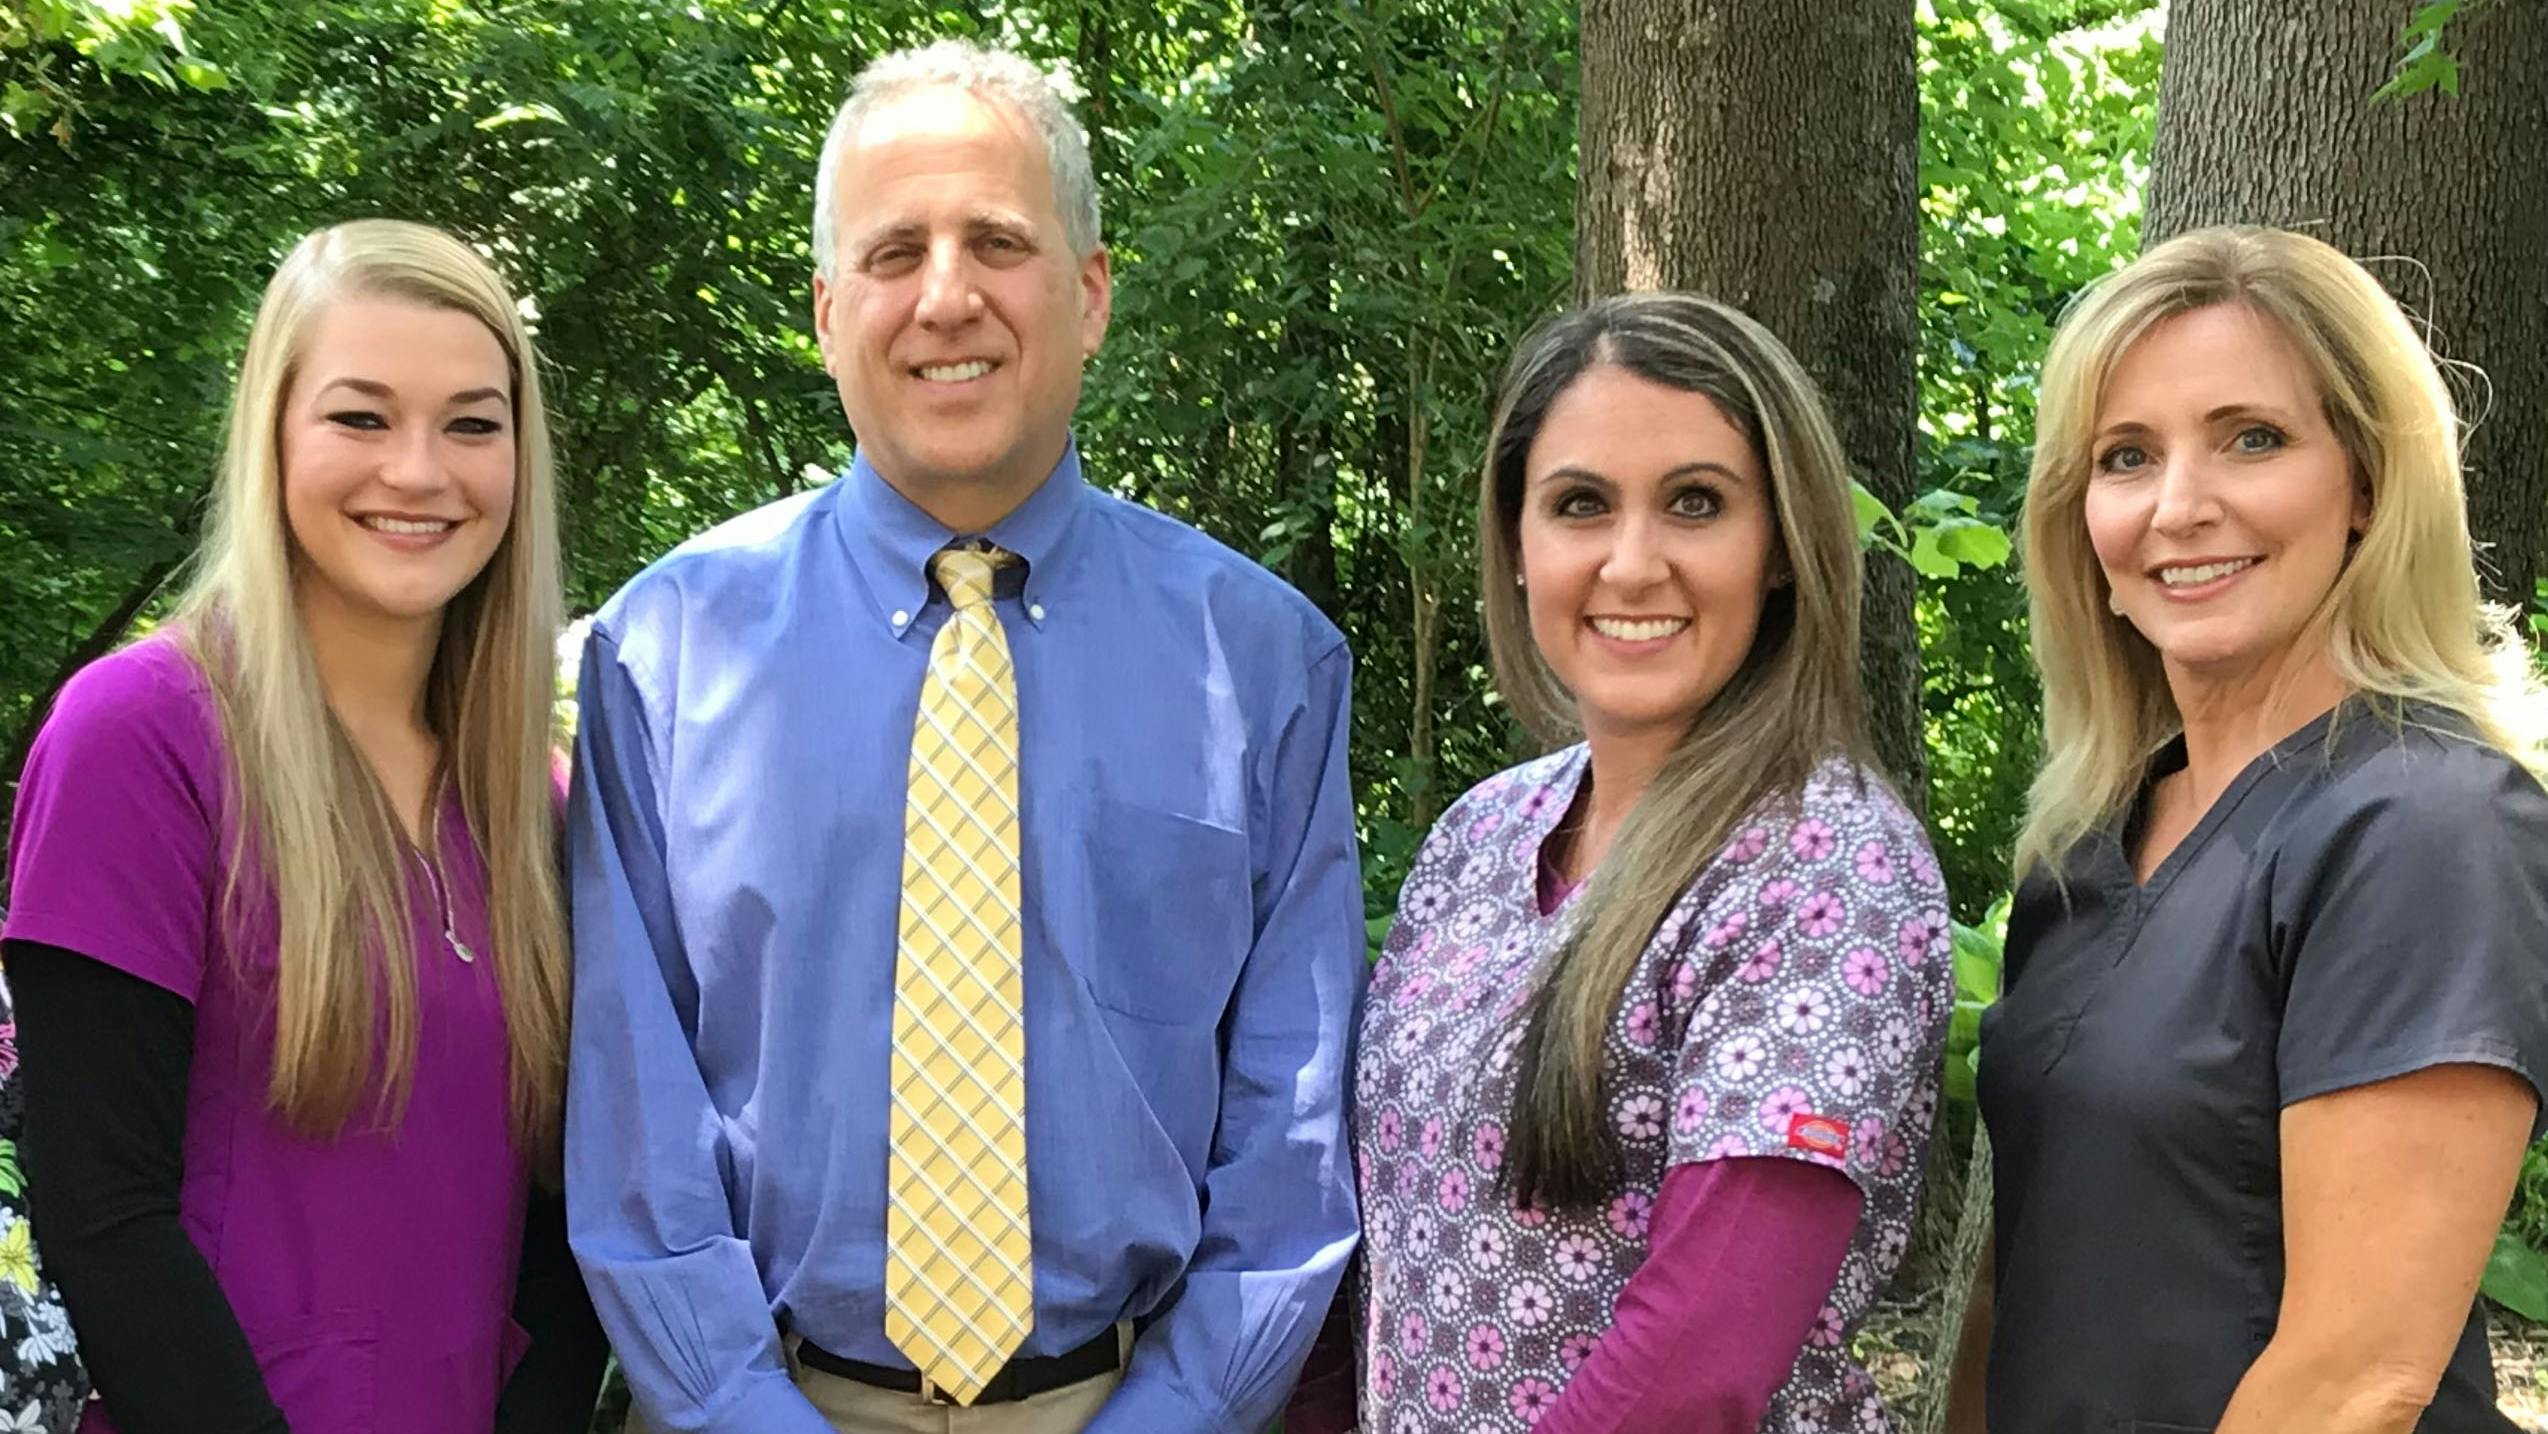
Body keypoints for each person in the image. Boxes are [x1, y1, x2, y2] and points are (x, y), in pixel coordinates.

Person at [563, 38, 1365, 1434]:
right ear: (826, 310)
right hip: (751, 1402)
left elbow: (1290, 1136)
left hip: (1139, 1401)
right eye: (892, 253)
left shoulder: (1266, 661)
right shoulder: (669, 651)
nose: (946, 295)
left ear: (1091, 293)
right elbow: (635, 1128)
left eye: (998, 239)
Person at [1287, 294, 1953, 1434]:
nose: (1630, 563)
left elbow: (1698, 1370)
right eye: (1579, 505)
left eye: (1695, 503)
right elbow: (1377, 1248)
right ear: (1517, 543)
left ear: (1783, 546)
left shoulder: (1827, 868)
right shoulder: (1481, 836)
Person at [4, 219, 604, 1433]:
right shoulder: (138, 737)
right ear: (273, 431)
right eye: (361, 416)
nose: (419, 471)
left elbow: (562, 1232)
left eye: (472, 424)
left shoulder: (534, 802)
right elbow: (100, 1210)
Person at [1953, 224, 2548, 1432]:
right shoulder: (2083, 855)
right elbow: (2025, 1288)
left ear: (2367, 484)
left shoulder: (2425, 823)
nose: (2180, 505)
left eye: (2252, 439)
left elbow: (2355, 1386)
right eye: (2125, 457)